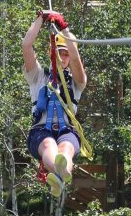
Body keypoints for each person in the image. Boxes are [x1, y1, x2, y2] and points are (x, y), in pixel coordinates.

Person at [23, 11, 88, 197]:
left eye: (66, 54)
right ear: (52, 52)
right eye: (60, 52)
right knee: (48, 145)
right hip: (41, 131)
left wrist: (65, 29)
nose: (64, 57)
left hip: (67, 130)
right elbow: (26, 46)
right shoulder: (37, 76)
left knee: (66, 148)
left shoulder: (77, 82)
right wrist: (40, 20)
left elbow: (76, 58)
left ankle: (60, 176)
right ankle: (61, 173)